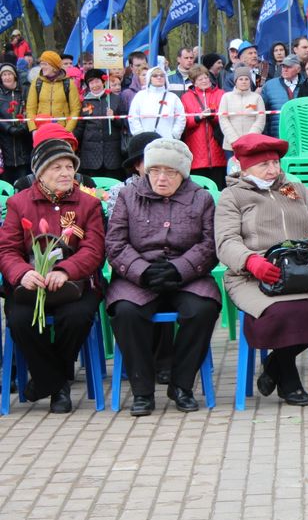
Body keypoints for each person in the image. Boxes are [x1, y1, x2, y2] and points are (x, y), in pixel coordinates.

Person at [216, 134, 308, 405]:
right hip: (252, 275)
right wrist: (250, 261)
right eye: (264, 165)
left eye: (275, 163)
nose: (272, 170)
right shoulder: (232, 196)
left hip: (302, 271)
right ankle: (289, 379)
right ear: (245, 167)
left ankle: (274, 365)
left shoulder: (296, 188)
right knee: (280, 311)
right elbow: (225, 242)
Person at [105, 138, 220, 415]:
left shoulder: (201, 197)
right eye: (155, 170)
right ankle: (143, 391)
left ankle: (181, 385)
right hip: (138, 277)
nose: (161, 178)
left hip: (188, 276)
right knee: (126, 311)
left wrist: (179, 268)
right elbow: (115, 243)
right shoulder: (128, 195)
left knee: (203, 309)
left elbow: (209, 245)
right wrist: (142, 271)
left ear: (183, 173)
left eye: (169, 172)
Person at [0, 137, 105, 413]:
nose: (66, 173)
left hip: (75, 285)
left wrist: (65, 270)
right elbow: (7, 249)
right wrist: (22, 273)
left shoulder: (88, 204)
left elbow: (94, 249)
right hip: (31, 286)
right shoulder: (19, 203)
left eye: (69, 166)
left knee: (78, 316)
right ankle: (56, 383)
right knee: (21, 320)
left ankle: (45, 382)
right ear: (40, 173)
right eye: (56, 167)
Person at [74, 69, 126, 180]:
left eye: (97, 81)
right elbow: (81, 126)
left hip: (112, 153)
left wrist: (114, 118)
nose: (95, 85)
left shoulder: (115, 99)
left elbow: (125, 123)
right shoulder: (85, 102)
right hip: (90, 154)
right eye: (91, 83)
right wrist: (71, 140)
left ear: (103, 82)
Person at [180, 65, 226, 188]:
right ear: (194, 82)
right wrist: (197, 117)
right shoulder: (186, 98)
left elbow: (225, 117)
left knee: (218, 188)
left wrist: (213, 116)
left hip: (217, 150)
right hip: (196, 151)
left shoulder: (221, 94)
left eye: (206, 77)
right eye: (200, 79)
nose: (204, 81)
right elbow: (183, 122)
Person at [25, 51, 80, 133]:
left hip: (62, 130)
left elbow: (75, 109)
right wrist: (33, 129)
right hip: (41, 130)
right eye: (41, 64)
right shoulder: (36, 82)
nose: (42, 66)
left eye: (45, 64)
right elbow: (30, 109)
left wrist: (68, 130)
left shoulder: (68, 83)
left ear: (54, 66)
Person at [218, 66, 266, 158]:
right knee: (234, 172)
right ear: (235, 81)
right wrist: (234, 140)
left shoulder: (257, 97)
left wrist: (250, 138)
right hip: (231, 145)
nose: (244, 81)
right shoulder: (226, 97)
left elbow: (260, 119)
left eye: (246, 79)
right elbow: (223, 119)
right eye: (240, 79)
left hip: (252, 144)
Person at [127, 66, 186, 140]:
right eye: (155, 76)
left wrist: (174, 134)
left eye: (162, 75)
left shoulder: (173, 97)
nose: (159, 77)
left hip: (167, 141)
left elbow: (181, 117)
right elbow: (133, 116)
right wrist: (139, 134)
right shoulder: (140, 96)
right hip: (145, 141)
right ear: (149, 78)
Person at [108, 132, 161, 213]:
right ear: (137, 165)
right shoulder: (119, 191)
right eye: (151, 161)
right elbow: (116, 223)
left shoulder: (172, 186)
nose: (157, 166)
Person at [0, 63, 33, 185]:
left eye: (9, 74)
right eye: (4, 75)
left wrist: (24, 126)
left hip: (23, 140)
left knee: (23, 180)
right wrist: (8, 128)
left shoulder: (24, 91)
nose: (7, 77)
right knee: (7, 181)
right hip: (5, 140)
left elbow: (30, 109)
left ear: (14, 76)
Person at [261, 54, 303, 138]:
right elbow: (262, 114)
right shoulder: (269, 86)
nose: (285, 69)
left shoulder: (306, 85)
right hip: (276, 138)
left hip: (301, 138)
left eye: (289, 67)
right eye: (283, 66)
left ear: (298, 69)